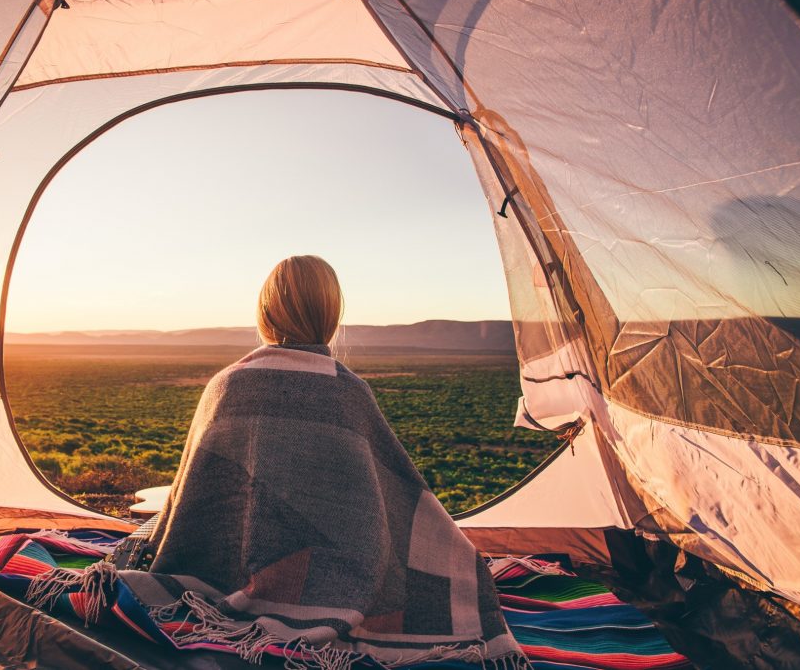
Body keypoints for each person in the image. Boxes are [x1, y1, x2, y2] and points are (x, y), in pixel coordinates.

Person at [99, 256, 526, 668]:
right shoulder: (347, 392)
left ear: (265, 313)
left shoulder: (224, 385)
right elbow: (394, 497)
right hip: (338, 574)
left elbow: (193, 500)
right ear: (331, 315)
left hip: (216, 570)